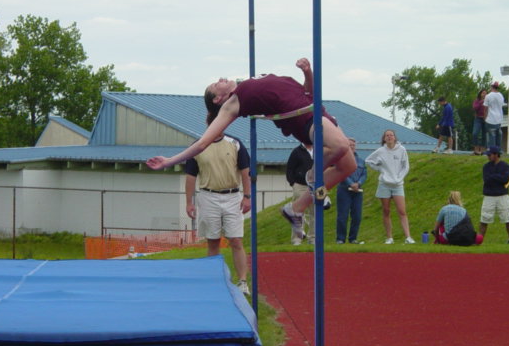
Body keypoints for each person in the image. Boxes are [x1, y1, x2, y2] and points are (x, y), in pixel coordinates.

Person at [147, 57, 357, 240]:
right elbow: (202, 143)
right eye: (216, 84)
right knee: (339, 146)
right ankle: (312, 176)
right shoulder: (231, 105)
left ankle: (295, 208)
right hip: (303, 120)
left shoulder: (245, 84)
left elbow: (308, 92)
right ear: (218, 99)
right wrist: (170, 161)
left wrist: (307, 72)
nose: (221, 78)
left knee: (349, 166)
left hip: (314, 108)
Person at [185, 114, 252, 295]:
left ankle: (243, 282)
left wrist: (247, 196)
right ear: (208, 124)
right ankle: (214, 280)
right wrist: (189, 202)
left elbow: (246, 171)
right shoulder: (197, 146)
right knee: (213, 240)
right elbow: (190, 176)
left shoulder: (235, 144)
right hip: (208, 196)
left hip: (232, 196)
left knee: (236, 240)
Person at [365, 129, 415, 244]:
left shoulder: (401, 149)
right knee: (386, 211)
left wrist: (399, 178)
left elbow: (406, 166)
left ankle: (408, 237)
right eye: (387, 135)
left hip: (398, 184)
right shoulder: (380, 151)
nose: (389, 137)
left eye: (391, 135)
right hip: (384, 184)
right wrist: (380, 169)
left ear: (394, 137)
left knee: (402, 211)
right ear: (384, 138)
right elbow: (369, 160)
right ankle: (389, 238)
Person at [478, 145, 509, 242]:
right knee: (484, 219)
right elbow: (487, 180)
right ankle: (479, 240)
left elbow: (506, 179)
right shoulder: (486, 167)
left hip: (502, 195)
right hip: (489, 196)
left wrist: (494, 177)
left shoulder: (505, 166)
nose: (488, 157)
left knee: (507, 218)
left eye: (490, 155)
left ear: (496, 155)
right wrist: (498, 177)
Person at [336, 137, 367, 244]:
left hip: (357, 191)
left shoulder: (361, 161)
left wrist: (358, 183)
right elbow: (341, 173)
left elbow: (364, 174)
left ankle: (353, 238)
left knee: (357, 216)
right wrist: (350, 183)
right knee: (343, 216)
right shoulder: (341, 160)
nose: (352, 147)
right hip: (344, 190)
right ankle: (340, 239)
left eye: (353, 145)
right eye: (350, 145)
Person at [286, 143, 315, 245]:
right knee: (298, 212)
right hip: (300, 185)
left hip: (314, 186)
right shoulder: (297, 152)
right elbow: (289, 168)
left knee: (314, 213)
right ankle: (297, 239)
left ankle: (313, 238)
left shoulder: (318, 150)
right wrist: (293, 183)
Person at [483, 81, 505, 149]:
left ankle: (492, 150)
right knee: (498, 135)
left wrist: (485, 118)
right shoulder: (501, 95)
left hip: (490, 119)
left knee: (491, 136)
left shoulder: (488, 96)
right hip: (499, 118)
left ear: (491, 87)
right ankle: (498, 149)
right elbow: (501, 105)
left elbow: (485, 108)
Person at [472, 89, 487, 155]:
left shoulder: (488, 101)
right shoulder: (477, 101)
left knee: (484, 134)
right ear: (480, 94)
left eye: (485, 93)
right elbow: (474, 108)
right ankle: (476, 149)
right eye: (483, 93)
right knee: (475, 133)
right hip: (478, 119)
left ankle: (482, 150)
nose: (484, 95)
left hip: (485, 119)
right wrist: (481, 102)